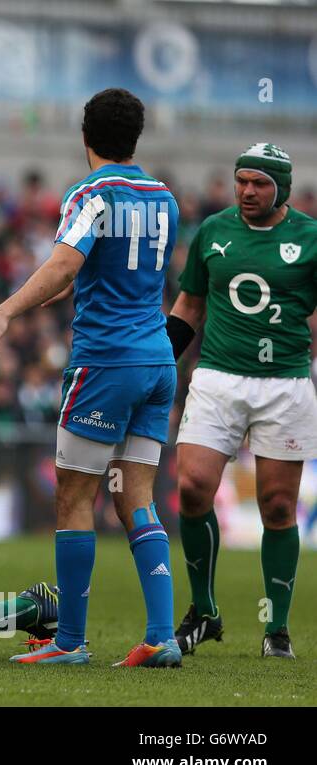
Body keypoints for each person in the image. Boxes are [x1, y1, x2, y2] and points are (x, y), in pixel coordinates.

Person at [0, 88, 182, 667]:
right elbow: (121, 266)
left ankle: (69, 640)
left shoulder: (92, 192)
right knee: (137, 498)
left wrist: (5, 310)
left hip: (106, 361)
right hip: (157, 360)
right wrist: (70, 286)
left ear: (84, 135)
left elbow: (68, 258)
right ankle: (162, 635)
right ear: (135, 137)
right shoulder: (162, 196)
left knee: (74, 496)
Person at [167, 143, 316, 659]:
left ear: (282, 188)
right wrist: (165, 362)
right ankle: (204, 611)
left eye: (259, 183)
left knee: (277, 506)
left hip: (285, 384)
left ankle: (276, 628)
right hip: (217, 378)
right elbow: (190, 304)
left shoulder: (310, 239)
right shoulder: (213, 231)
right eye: (242, 181)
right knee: (192, 490)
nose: (248, 191)